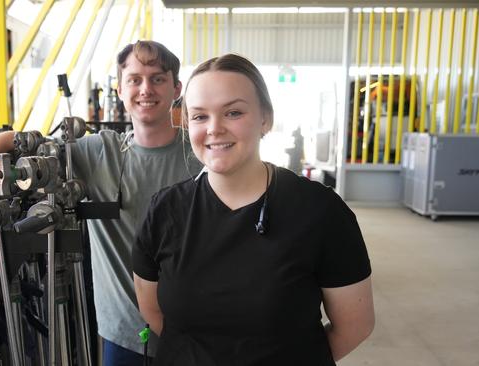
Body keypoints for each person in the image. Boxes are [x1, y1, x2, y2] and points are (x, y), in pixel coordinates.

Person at [133, 54, 374, 365]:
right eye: (200, 116)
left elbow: (355, 326)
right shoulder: (164, 211)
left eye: (233, 112)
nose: (214, 128)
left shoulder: (320, 212)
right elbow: (152, 312)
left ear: (266, 119)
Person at [0, 41, 202, 365]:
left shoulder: (199, 155)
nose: (146, 89)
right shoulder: (97, 152)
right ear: (120, 87)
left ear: (177, 88)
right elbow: (26, 145)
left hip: (192, 332)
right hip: (122, 334)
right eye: (134, 79)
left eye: (158, 78)